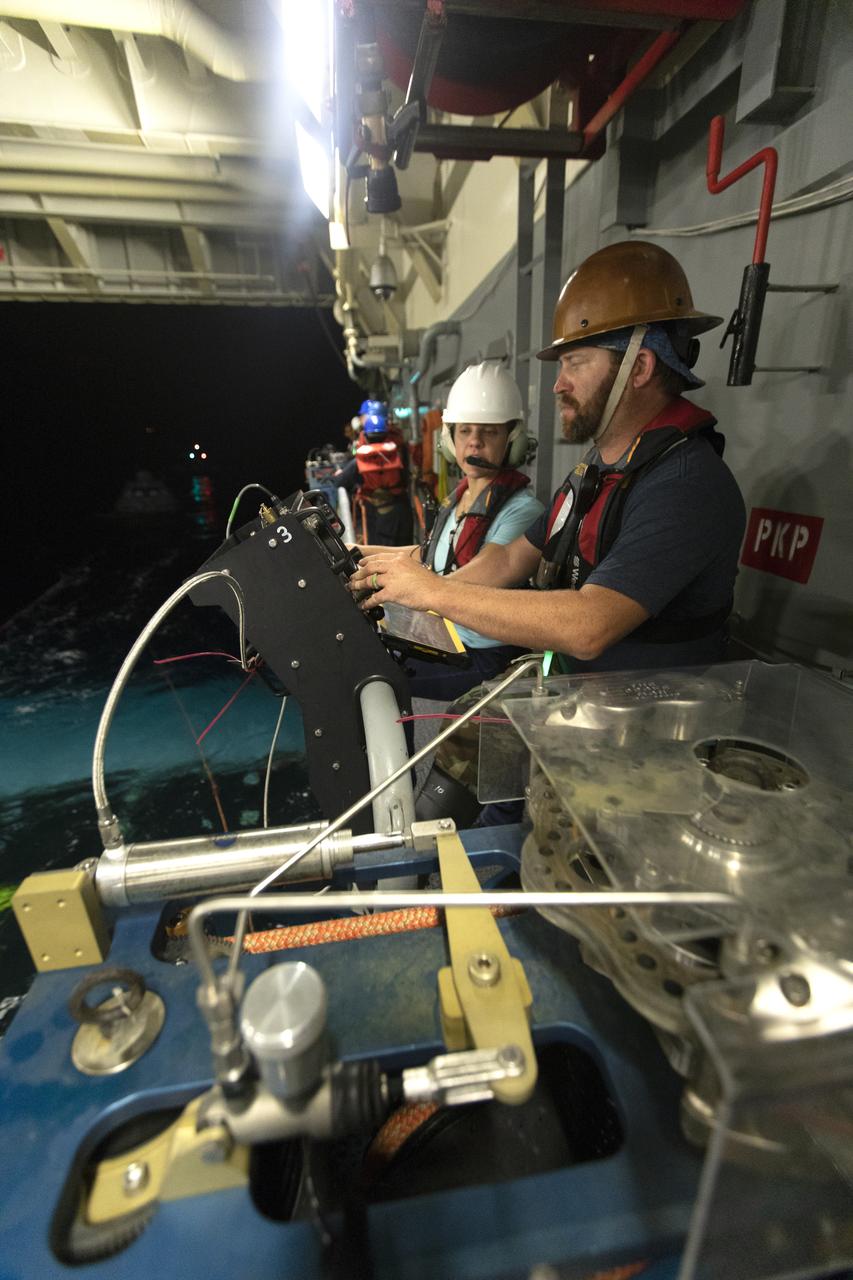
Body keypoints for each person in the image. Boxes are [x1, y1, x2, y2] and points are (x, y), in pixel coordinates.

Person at [350, 241, 746, 675]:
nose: (558, 385)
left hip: (649, 722)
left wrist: (433, 594)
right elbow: (508, 559)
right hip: (587, 701)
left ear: (639, 368)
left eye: (574, 363)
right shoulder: (598, 471)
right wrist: (413, 585)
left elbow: (589, 626)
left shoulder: (685, 484)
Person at [362, 362, 543, 699]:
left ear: (512, 439)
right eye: (465, 432)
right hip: (446, 636)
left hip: (483, 655)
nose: (474, 443)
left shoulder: (523, 510)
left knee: (378, 676)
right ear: (449, 438)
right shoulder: (460, 500)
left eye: (488, 432)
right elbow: (428, 555)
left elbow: (492, 569)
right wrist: (359, 553)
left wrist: (407, 591)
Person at [334, 400, 413, 547]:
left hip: (377, 514)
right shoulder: (398, 447)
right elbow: (406, 476)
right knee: (406, 551)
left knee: (381, 555)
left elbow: (340, 482)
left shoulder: (362, 456)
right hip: (402, 508)